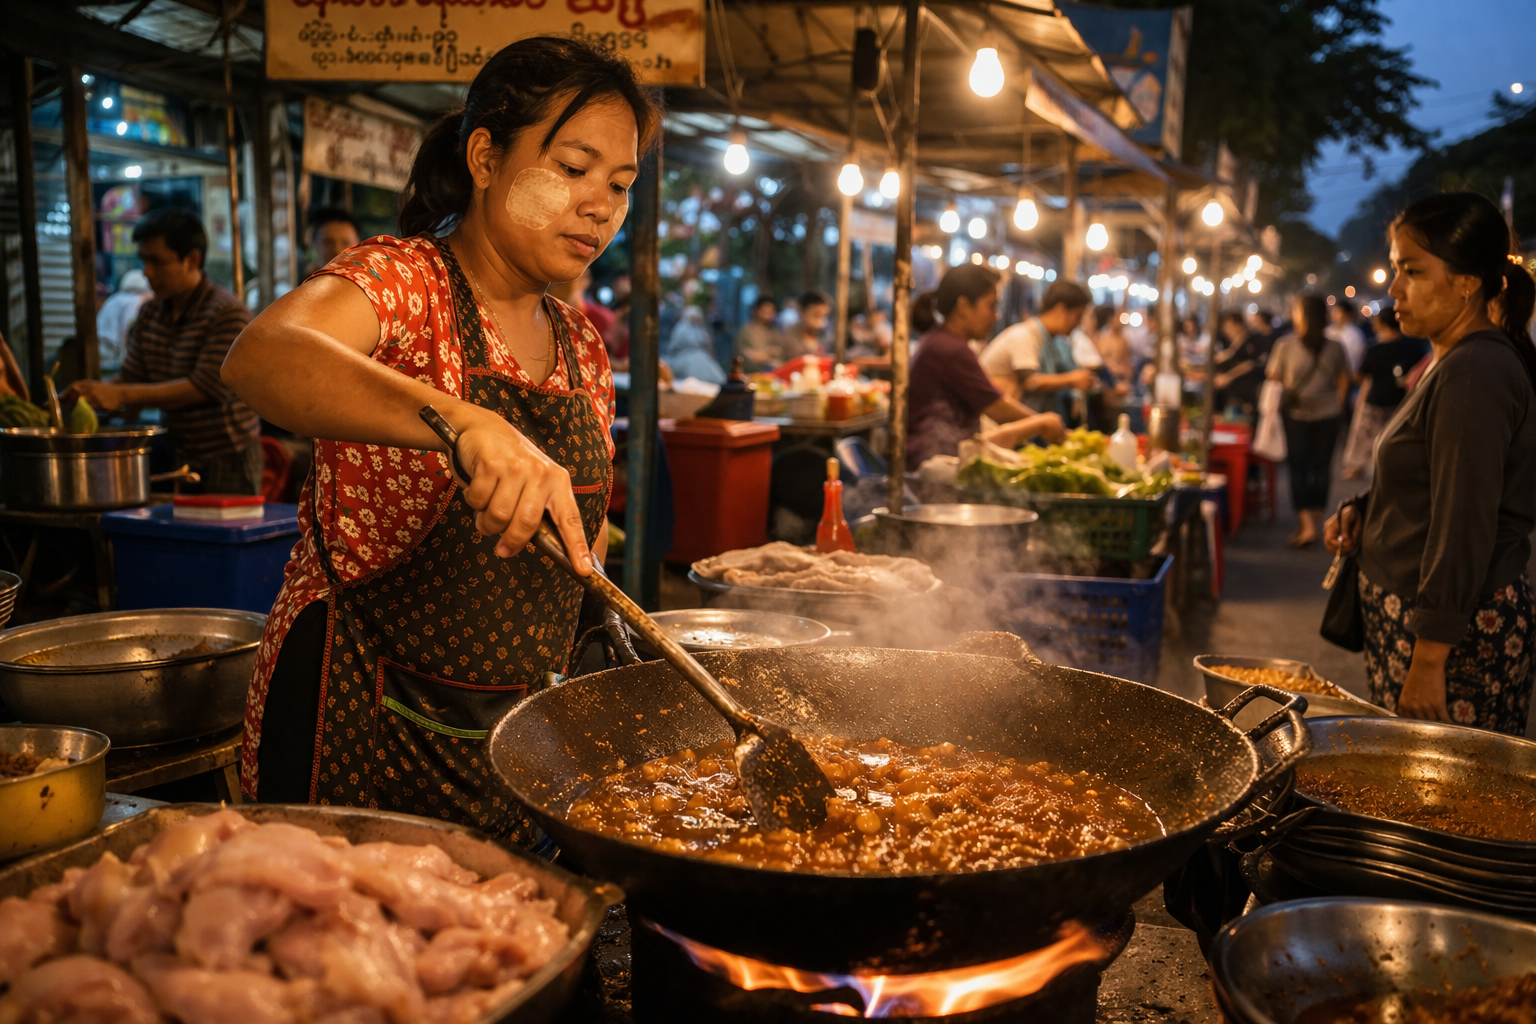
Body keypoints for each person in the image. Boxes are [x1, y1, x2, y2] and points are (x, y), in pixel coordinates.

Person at [221, 37, 657, 829]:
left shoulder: (582, 346)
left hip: (509, 734)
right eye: (573, 168)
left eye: (620, 184)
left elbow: (578, 553)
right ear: (486, 157)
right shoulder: (405, 281)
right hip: (358, 711)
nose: (600, 204)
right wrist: (462, 420)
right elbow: (262, 357)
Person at [1327, 192, 1536, 734]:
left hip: (1455, 643)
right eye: (1396, 269)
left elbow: (1463, 523)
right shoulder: (1451, 358)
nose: (1395, 289)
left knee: (1444, 783)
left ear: (1466, 281)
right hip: (1420, 625)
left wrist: (1428, 662)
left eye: (1413, 271)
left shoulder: (1475, 372)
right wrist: (1368, 509)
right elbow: (1436, 476)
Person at [65, 208, 262, 494]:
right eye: (143, 261)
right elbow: (132, 376)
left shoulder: (227, 313)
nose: (146, 272)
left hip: (226, 457)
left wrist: (120, 395)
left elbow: (204, 387)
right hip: (175, 451)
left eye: (156, 261)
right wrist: (89, 394)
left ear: (192, 260)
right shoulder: (150, 313)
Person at [907, 264, 1065, 467]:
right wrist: (1044, 423)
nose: (996, 315)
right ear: (964, 306)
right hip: (932, 464)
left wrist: (1042, 423)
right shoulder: (951, 349)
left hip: (936, 458)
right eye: (992, 306)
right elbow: (997, 408)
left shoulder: (940, 341)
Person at [1266, 294, 1350, 547]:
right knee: (1322, 468)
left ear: (1302, 315)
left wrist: (1290, 383)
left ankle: (1306, 526)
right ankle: (1316, 521)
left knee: (1298, 468)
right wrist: (1337, 403)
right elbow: (1344, 377)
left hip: (1296, 415)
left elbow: (1273, 374)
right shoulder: (1335, 346)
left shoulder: (1285, 345)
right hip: (1329, 415)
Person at [978, 281, 1095, 421]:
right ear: (1060, 309)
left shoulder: (1052, 342)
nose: (1078, 323)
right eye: (1077, 316)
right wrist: (1071, 379)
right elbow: (1031, 382)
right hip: (996, 424)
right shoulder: (1024, 336)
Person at [1341, 305, 1428, 479]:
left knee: (1363, 436)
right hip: (1403, 400)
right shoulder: (1412, 346)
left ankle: (1356, 467)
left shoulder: (1375, 349)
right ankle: (1398, 466)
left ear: (1383, 323)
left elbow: (1360, 376)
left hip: (1376, 399)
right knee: (1398, 437)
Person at [1213, 310, 1272, 419]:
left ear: (1239, 325)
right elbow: (1228, 354)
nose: (1226, 331)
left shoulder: (1254, 340)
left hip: (1248, 394)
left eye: (1229, 327)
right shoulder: (1234, 342)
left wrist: (1227, 377)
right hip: (1233, 393)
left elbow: (1249, 364)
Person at [96, 268, 151, 375]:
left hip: (103, 353)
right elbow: (126, 333)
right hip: (110, 356)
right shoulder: (133, 301)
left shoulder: (116, 298)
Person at [664, 304, 726, 384]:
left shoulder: (699, 328)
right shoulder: (681, 328)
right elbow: (674, 346)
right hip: (685, 356)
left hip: (700, 355)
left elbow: (706, 344)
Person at [302, 207, 362, 279]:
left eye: (345, 243)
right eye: (328, 243)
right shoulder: (302, 283)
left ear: (358, 244)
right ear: (313, 242)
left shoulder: (368, 282)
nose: (338, 251)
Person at [734, 295, 785, 370]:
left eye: (770, 312)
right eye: (764, 312)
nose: (767, 316)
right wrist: (764, 354)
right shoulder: (746, 331)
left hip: (773, 373)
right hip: (751, 372)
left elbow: (781, 352)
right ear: (756, 311)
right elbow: (742, 355)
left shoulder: (775, 332)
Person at [1326, 298, 1368, 374]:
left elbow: (1359, 356)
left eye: (1338, 312)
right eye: (1334, 311)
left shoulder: (1355, 334)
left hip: (1350, 373)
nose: (1334, 314)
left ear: (1347, 314)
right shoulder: (1327, 331)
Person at [788, 290, 829, 358]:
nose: (822, 323)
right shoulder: (790, 341)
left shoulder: (825, 339)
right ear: (801, 312)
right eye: (816, 316)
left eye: (824, 316)